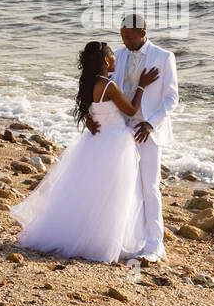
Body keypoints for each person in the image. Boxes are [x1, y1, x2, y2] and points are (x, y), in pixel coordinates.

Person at [11, 41, 161, 263]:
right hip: (115, 143)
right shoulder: (108, 86)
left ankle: (82, 236)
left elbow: (90, 111)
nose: (115, 59)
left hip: (97, 141)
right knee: (113, 194)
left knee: (92, 192)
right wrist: (141, 84)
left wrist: (90, 121)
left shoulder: (89, 84)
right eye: (112, 56)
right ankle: (103, 242)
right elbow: (130, 109)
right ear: (104, 61)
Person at [85, 13, 179, 262]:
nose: (125, 41)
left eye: (129, 36)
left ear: (143, 33)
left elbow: (171, 99)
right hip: (120, 131)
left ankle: (154, 245)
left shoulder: (164, 57)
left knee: (149, 187)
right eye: (122, 36)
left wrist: (151, 123)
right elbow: (101, 88)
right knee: (127, 188)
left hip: (147, 131)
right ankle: (129, 240)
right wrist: (90, 116)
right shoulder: (118, 54)